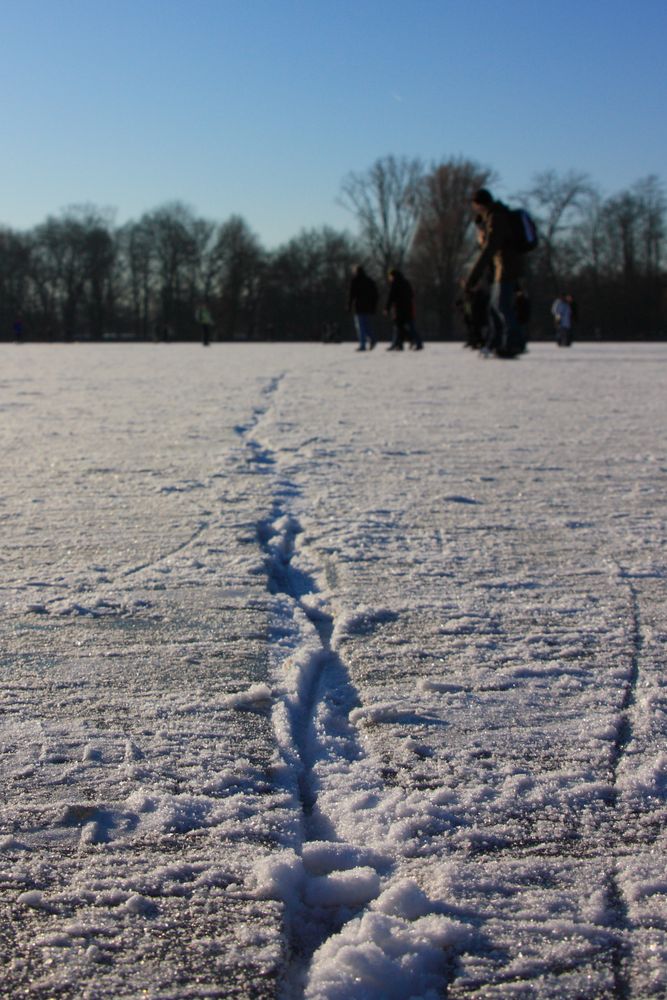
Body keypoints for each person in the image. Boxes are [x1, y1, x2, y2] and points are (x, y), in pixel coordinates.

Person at [463, 189, 523, 359]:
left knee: (501, 306)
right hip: (501, 267)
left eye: (474, 205)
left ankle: (514, 342)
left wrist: (473, 277)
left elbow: (490, 248)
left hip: (505, 267)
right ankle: (498, 342)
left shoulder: (496, 217)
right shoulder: (493, 217)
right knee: (495, 307)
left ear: (479, 204)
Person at [384, 268, 423, 351]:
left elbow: (391, 297)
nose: (389, 278)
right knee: (410, 327)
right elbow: (412, 294)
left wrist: (387, 308)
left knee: (399, 327)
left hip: (399, 309)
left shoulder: (395, 284)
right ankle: (415, 343)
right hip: (408, 308)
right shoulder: (406, 282)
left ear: (393, 276)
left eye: (390, 276)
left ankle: (402, 343)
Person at [347, 265, 378, 351]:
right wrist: (374, 306)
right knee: (367, 326)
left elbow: (351, 295)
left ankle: (363, 345)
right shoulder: (370, 281)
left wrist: (349, 305)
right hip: (369, 308)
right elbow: (375, 295)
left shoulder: (355, 281)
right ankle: (372, 339)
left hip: (359, 307)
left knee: (361, 327)